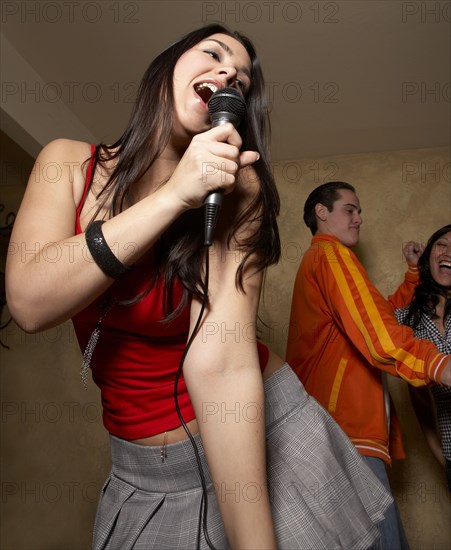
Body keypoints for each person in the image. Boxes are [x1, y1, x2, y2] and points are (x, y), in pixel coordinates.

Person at [7, 27, 391, 549]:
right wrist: (174, 197)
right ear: (166, 69)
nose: (229, 72)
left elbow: (221, 365)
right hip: (142, 466)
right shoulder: (66, 164)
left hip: (259, 433)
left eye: (243, 77)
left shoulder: (241, 192)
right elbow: (30, 301)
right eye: (212, 53)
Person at [286, 181, 451, 550]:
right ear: (321, 213)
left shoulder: (325, 262)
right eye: (350, 209)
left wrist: (412, 273)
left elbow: (379, 315)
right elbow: (379, 334)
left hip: (340, 429)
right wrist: (439, 365)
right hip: (345, 428)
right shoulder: (330, 256)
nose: (359, 218)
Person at [395, 225, 451, 491]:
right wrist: (441, 457)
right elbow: (418, 396)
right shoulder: (409, 318)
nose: (448, 252)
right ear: (429, 255)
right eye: (442, 244)